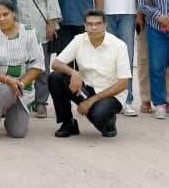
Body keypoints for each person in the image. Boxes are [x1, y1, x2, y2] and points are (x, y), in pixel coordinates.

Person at [48, 9, 129, 138]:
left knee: (98, 115)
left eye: (98, 23)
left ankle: (109, 121)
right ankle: (68, 123)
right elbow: (56, 64)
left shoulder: (119, 46)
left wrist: (91, 101)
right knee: (55, 77)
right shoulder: (79, 39)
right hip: (85, 88)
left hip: (110, 94)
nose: (94, 27)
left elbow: (123, 83)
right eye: (90, 24)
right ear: (85, 26)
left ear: (105, 25)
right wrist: (74, 73)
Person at [7, 0, 61, 118]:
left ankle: (41, 102)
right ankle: (21, 101)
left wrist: (52, 23)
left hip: (41, 27)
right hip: (18, 28)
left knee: (42, 68)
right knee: (19, 66)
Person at [0, 0, 45, 141]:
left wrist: (20, 84)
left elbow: (37, 66)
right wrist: (8, 80)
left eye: (6, 14)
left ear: (14, 13)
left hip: (23, 81)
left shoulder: (29, 32)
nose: (2, 19)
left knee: (18, 133)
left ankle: (7, 109)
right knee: (5, 90)